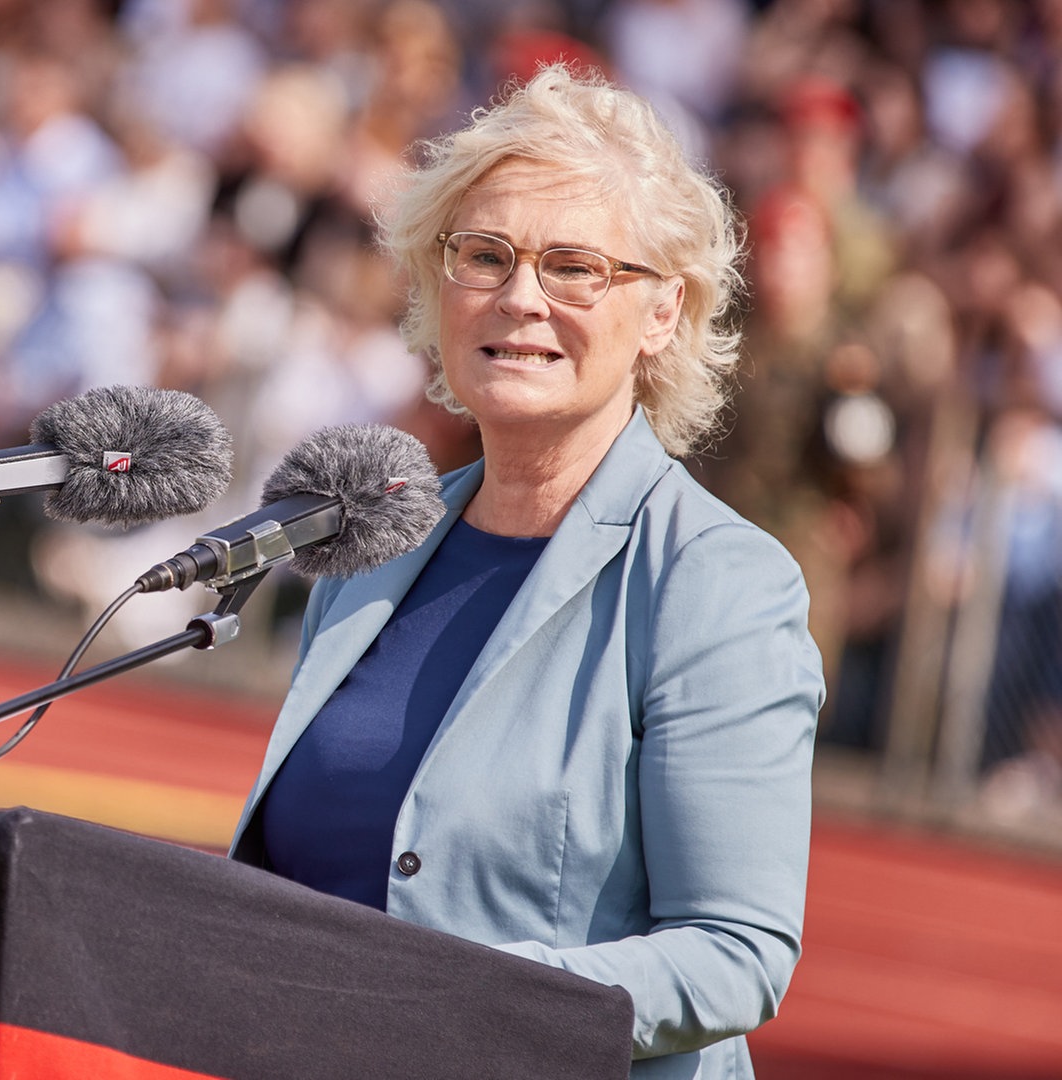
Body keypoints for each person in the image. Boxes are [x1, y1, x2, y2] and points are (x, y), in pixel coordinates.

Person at [228, 65, 825, 1079]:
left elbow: (737, 954)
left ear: (662, 313)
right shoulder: (375, 545)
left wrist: (470, 1011)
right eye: (484, 255)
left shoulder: (716, 583)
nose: (519, 297)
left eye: (576, 267)